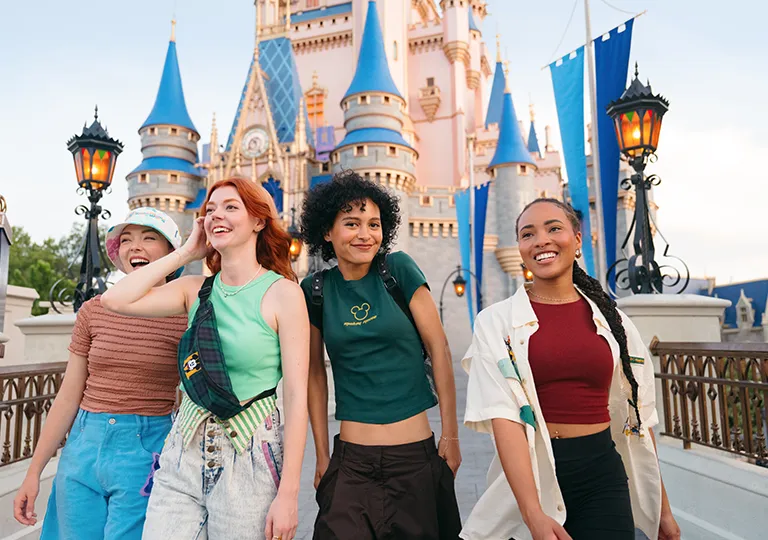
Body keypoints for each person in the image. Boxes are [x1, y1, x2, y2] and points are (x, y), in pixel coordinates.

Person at [100, 178, 309, 540]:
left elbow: (295, 396)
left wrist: (289, 493)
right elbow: (115, 300)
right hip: (184, 450)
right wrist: (185, 254)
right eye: (210, 209)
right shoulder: (193, 289)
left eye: (231, 207)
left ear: (259, 221)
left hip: (249, 454)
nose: (217, 215)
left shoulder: (284, 294)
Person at [461, 198, 681, 540]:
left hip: (603, 475)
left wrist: (663, 510)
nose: (541, 241)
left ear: (577, 240)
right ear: (519, 247)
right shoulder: (495, 322)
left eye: (554, 228)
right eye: (527, 234)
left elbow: (640, 417)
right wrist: (533, 514)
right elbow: (504, 418)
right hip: (532, 476)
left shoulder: (614, 322)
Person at [298, 170, 463, 540]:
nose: (364, 234)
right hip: (351, 464)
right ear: (327, 231)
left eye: (374, 224)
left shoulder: (398, 270)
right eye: (351, 223)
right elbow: (313, 375)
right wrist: (322, 455)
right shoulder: (314, 290)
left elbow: (439, 349)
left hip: (415, 462)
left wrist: (450, 436)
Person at [13, 207, 188, 539]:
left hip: (146, 447)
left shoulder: (186, 311)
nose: (135, 246)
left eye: (149, 238)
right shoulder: (95, 310)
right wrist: (34, 472)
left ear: (171, 253)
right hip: (83, 445)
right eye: (127, 240)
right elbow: (68, 396)